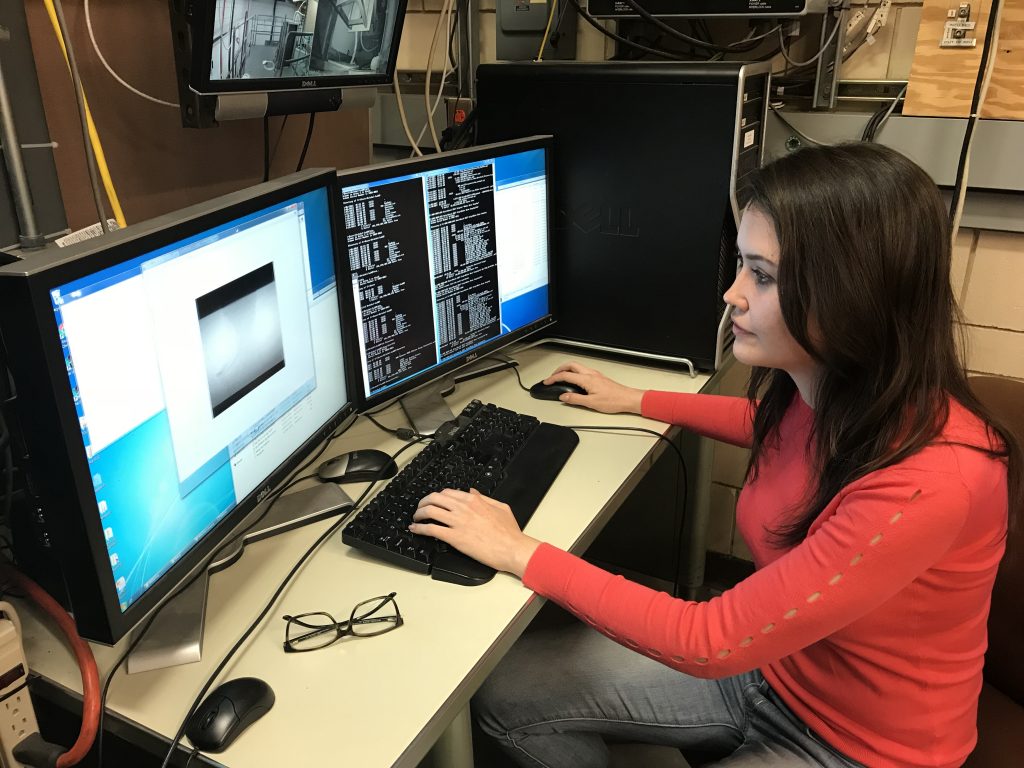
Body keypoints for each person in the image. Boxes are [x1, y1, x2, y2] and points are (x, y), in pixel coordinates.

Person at [409, 142, 1020, 767]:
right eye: (741, 266)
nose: (733, 295)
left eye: (763, 274)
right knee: (508, 696)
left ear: (853, 293)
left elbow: (709, 641)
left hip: (859, 746)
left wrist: (518, 550)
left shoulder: (932, 479)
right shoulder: (842, 388)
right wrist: (635, 399)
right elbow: (771, 425)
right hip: (772, 670)